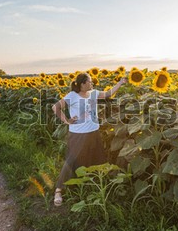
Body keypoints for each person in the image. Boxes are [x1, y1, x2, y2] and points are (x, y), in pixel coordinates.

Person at [52, 72, 127, 206]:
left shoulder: (94, 93)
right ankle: (58, 190)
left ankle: (95, 186)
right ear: (82, 84)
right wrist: (66, 121)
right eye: (90, 82)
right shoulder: (72, 96)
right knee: (72, 161)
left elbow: (109, 93)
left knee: (98, 158)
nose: (92, 84)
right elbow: (55, 107)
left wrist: (120, 83)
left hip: (94, 132)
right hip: (78, 134)